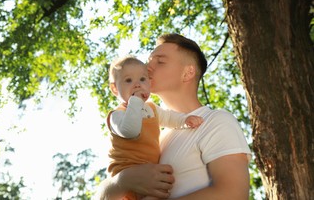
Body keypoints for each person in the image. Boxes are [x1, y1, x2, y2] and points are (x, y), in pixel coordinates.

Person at [97, 33, 252, 200]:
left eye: (160, 61)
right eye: (149, 60)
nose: (148, 67)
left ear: (188, 73)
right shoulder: (155, 136)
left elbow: (233, 194)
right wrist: (123, 181)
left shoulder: (216, 121)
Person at [106, 55, 204, 200]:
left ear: (149, 83)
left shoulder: (151, 108)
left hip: (150, 174)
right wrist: (135, 101)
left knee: (160, 193)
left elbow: (169, 118)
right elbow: (131, 131)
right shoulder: (117, 115)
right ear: (115, 89)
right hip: (126, 174)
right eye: (128, 80)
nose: (137, 84)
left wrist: (185, 120)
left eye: (143, 79)